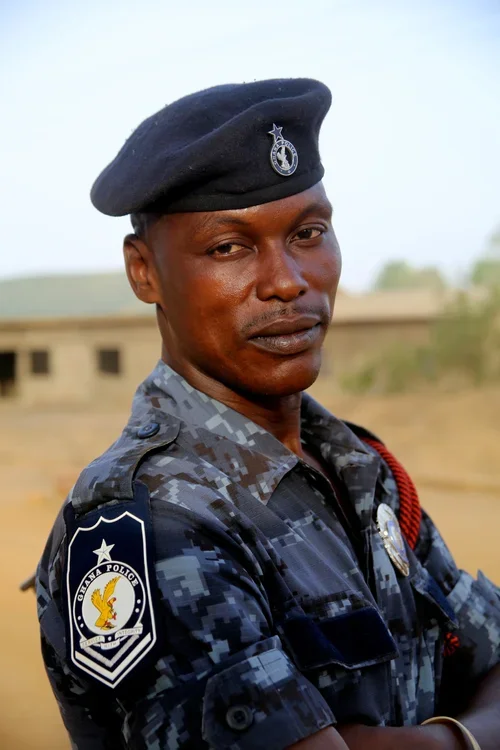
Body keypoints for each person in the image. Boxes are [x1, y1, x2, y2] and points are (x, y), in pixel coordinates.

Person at [36, 78, 500, 750]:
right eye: (229, 247)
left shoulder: (357, 466)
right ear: (144, 273)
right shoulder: (155, 518)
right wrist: (467, 738)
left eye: (308, 233)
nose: (288, 281)